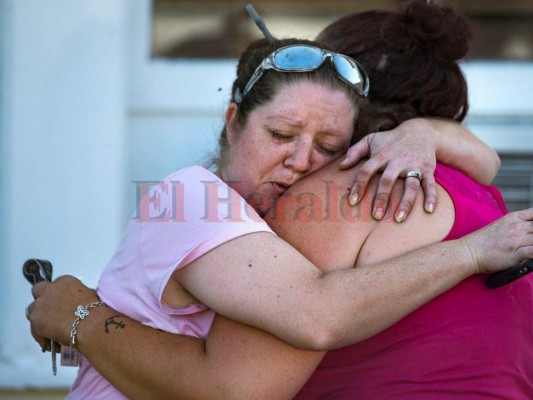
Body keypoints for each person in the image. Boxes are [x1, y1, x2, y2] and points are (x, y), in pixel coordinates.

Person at [27, 7, 533, 400]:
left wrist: (83, 318)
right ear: (232, 121)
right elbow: (312, 317)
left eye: (330, 149)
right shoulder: (193, 196)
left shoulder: (298, 213)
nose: (301, 161)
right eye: (281, 133)